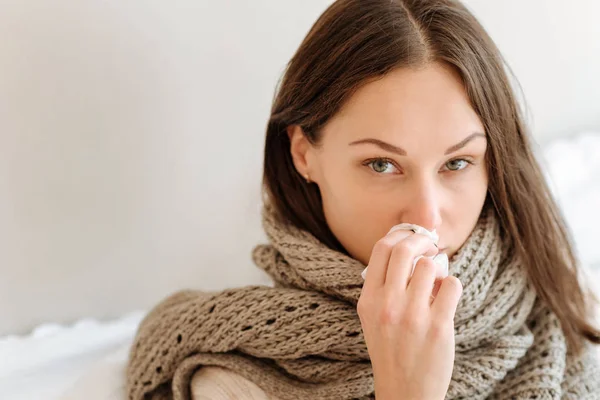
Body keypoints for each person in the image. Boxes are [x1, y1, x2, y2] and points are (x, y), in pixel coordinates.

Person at [125, 0, 600, 399]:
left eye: (456, 163)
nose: (426, 216)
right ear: (303, 154)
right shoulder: (232, 375)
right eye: (381, 164)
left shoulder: (562, 299)